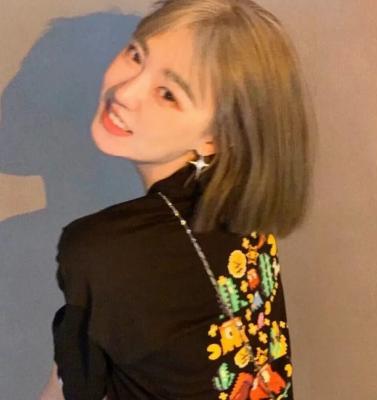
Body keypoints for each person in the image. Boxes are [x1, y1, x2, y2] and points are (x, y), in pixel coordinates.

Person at [40, 0, 315, 399]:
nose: (125, 92)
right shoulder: (243, 213)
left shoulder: (105, 247)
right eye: (136, 55)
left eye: (168, 94)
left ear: (215, 136)